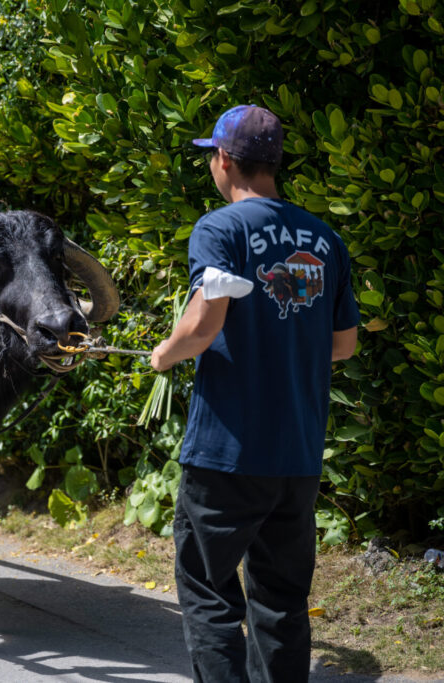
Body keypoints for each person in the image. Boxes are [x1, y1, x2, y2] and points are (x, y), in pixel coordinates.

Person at [149, 104, 360, 682]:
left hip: (227, 453)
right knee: (283, 598)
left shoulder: (219, 229)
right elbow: (344, 346)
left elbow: (204, 324)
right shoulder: (325, 238)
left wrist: (165, 354)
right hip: (297, 454)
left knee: (209, 591)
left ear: (222, 160)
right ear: (274, 163)